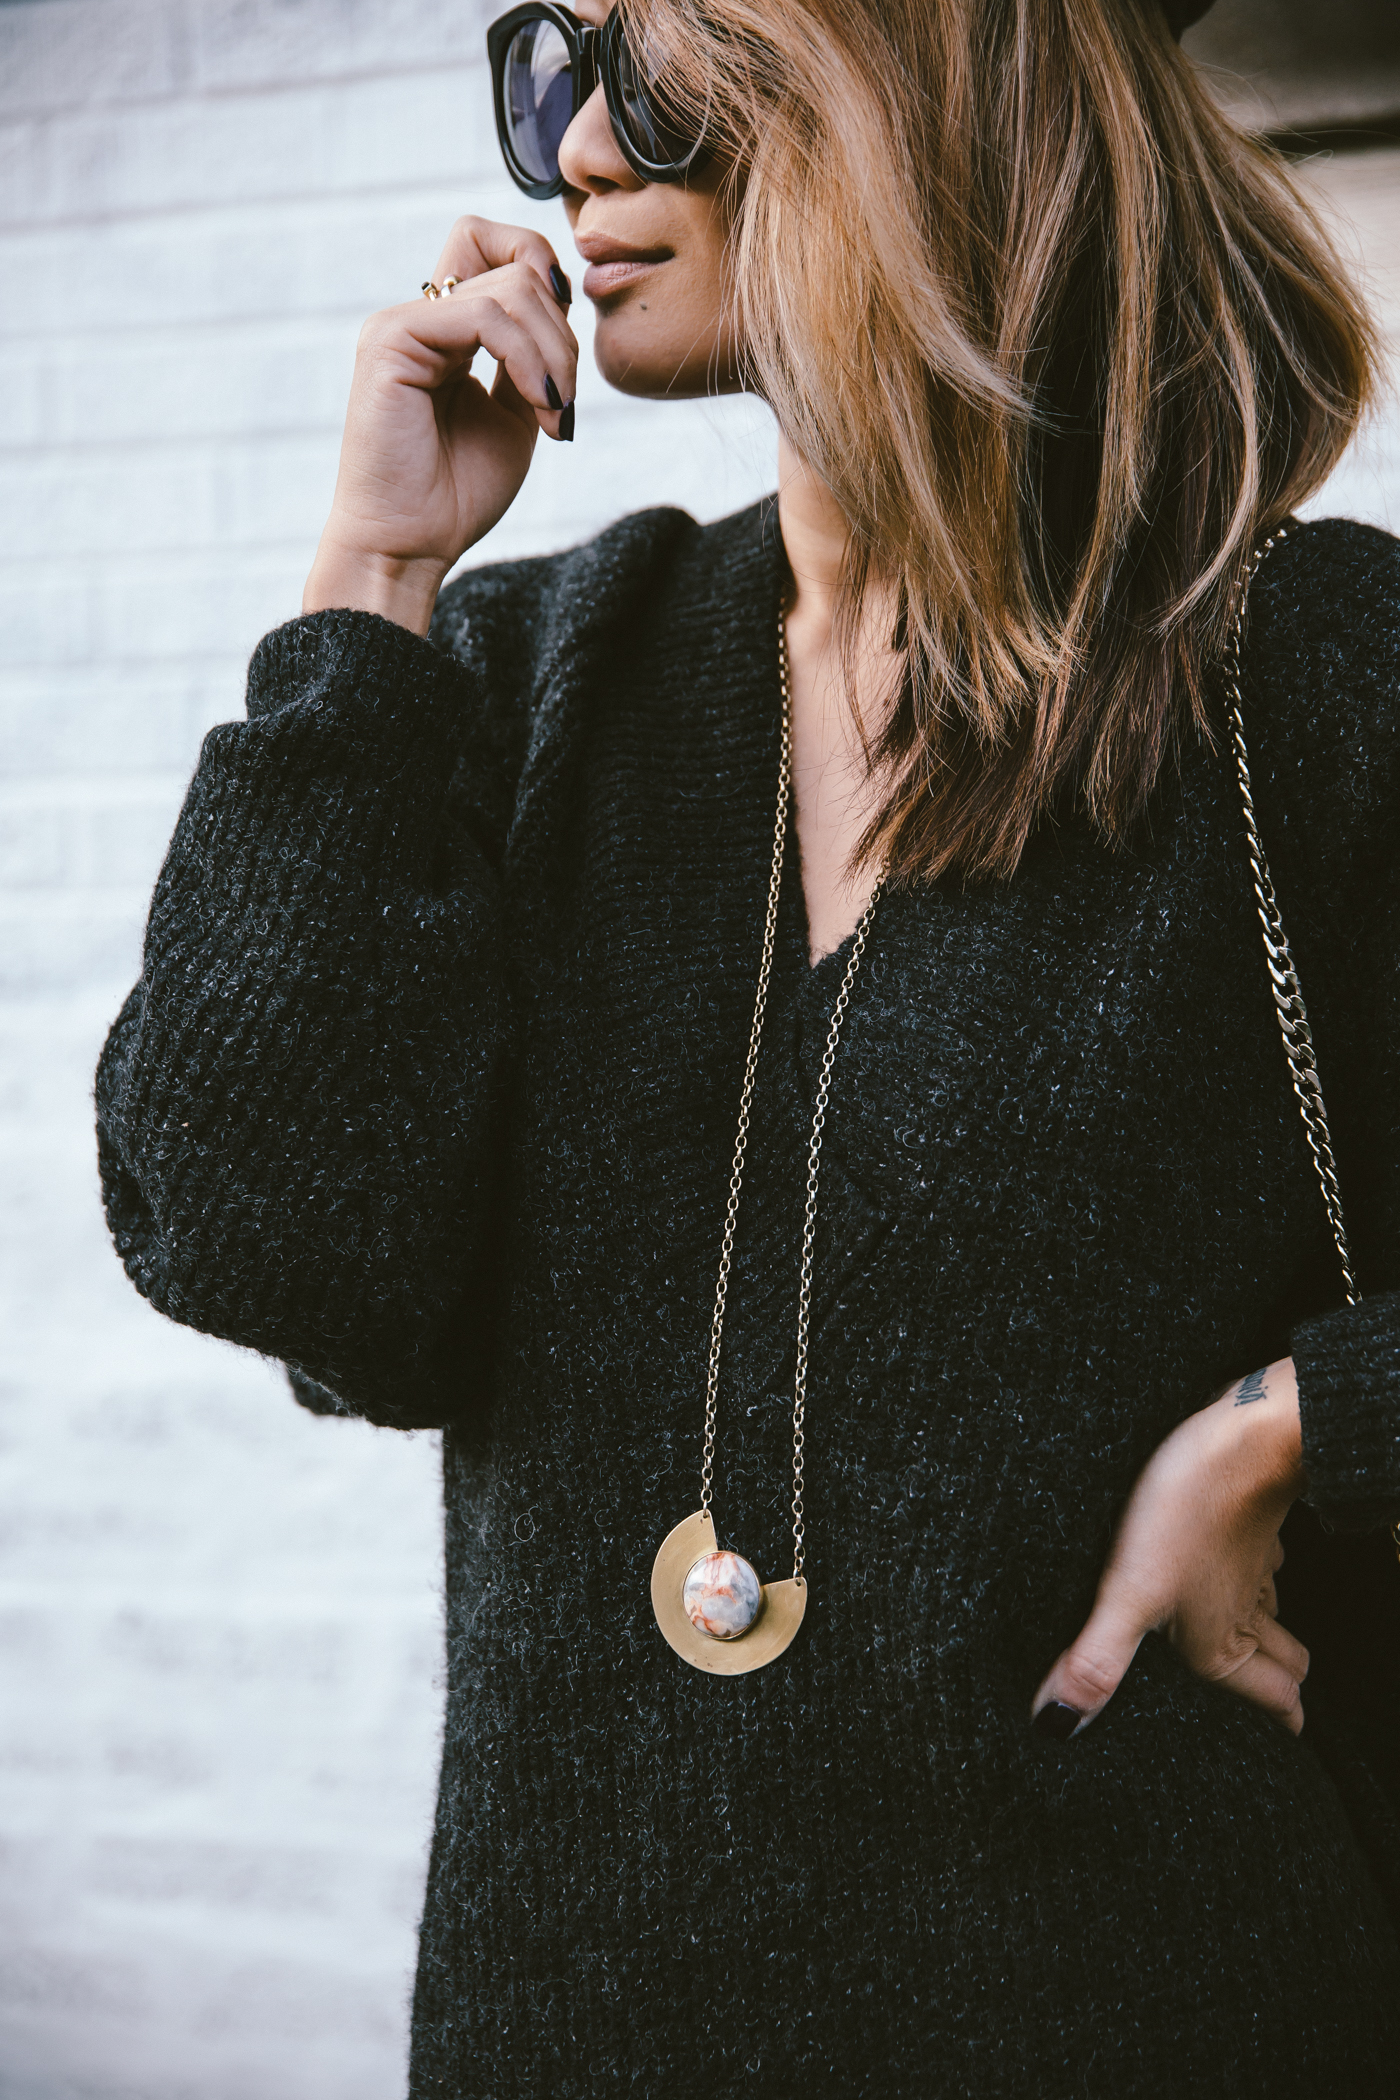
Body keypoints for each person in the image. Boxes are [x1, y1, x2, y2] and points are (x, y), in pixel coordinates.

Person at [95, 0, 1400, 2089]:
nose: (575, 154)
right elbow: (273, 1241)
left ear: (932, 73)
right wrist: (373, 582)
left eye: (650, 65)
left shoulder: (1315, 680)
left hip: (1168, 2015)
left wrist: (1300, 1417)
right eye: (542, 69)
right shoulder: (536, 675)